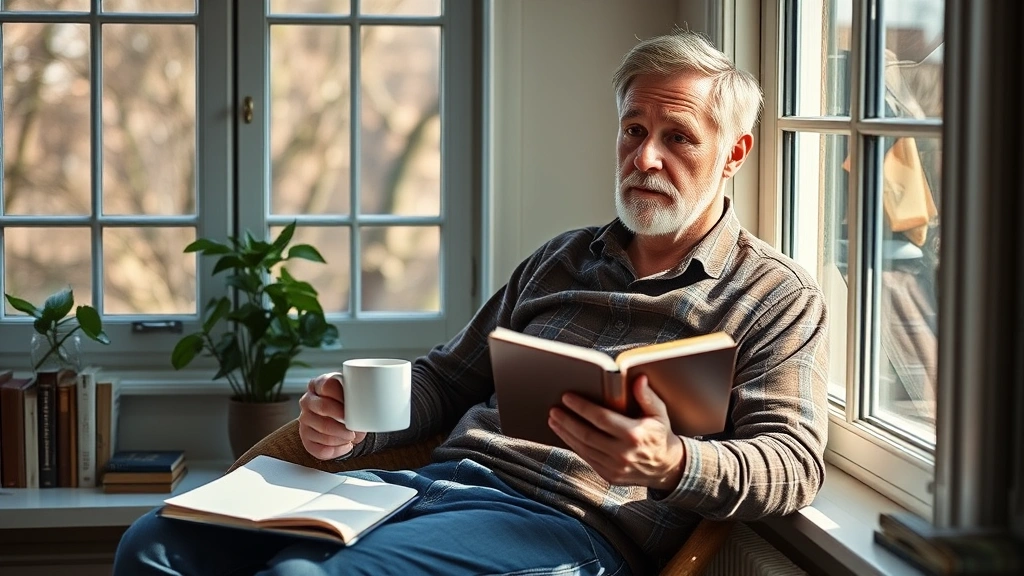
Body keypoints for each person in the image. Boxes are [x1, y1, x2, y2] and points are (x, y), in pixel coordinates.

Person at [113, 29, 829, 576]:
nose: (646, 158)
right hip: (426, 489)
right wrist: (352, 421)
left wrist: (671, 462)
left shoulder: (774, 295)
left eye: (678, 138)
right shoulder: (562, 257)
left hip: (565, 529)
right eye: (634, 130)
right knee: (154, 544)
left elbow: (793, 464)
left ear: (735, 153)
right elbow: (446, 379)